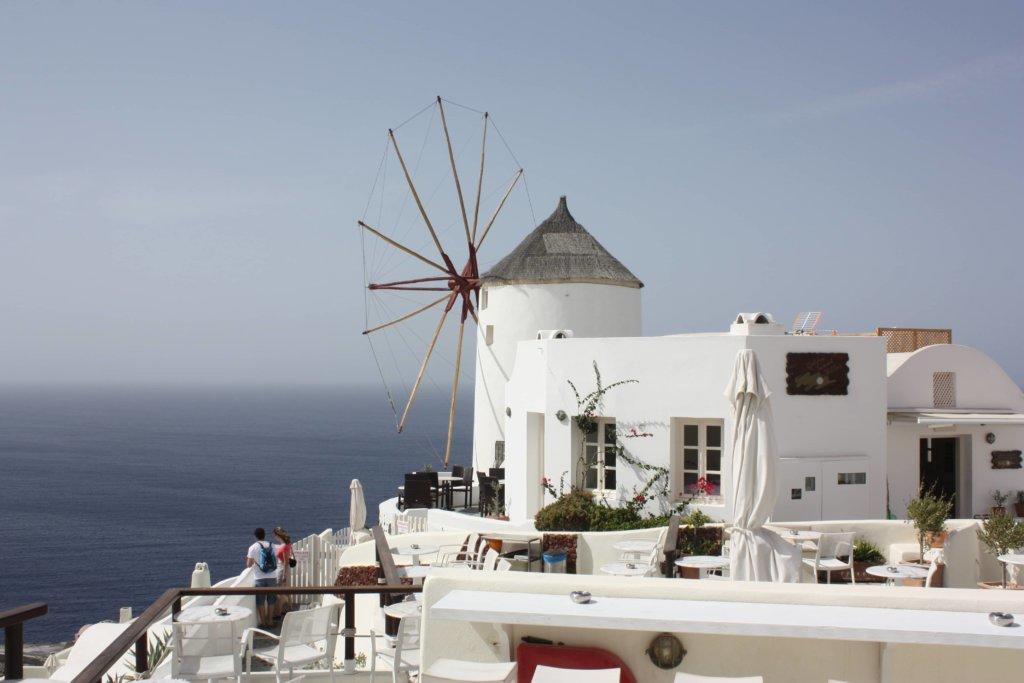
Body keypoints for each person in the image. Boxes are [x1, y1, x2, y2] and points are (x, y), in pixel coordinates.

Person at [246, 527, 278, 627]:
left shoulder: (253, 547)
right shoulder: (272, 545)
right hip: (272, 576)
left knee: (260, 601)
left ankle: (263, 622)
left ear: (255, 536)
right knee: (271, 600)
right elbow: (275, 558)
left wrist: (255, 561)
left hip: (259, 578)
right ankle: (270, 621)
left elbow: (248, 564)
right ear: (264, 535)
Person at [273, 527, 294, 617]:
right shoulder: (288, 544)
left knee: (279, 591)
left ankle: (278, 613)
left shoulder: (284, 546)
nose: (274, 537)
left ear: (278, 535)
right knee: (286, 590)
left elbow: (285, 561)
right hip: (285, 569)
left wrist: (284, 574)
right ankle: (289, 608)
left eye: (275, 535)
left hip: (282, 569)